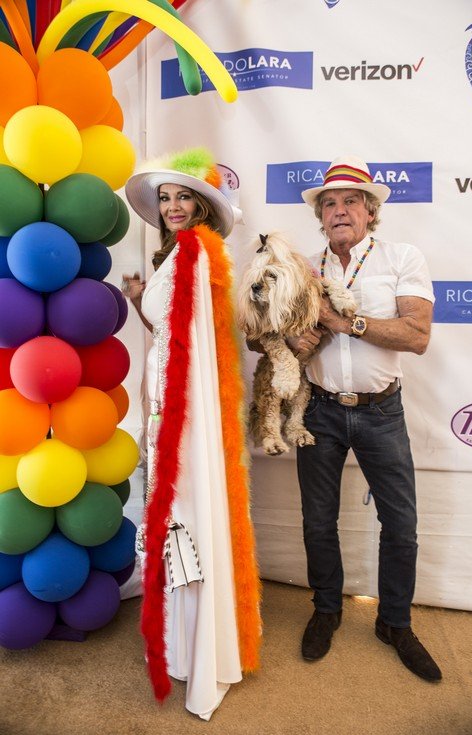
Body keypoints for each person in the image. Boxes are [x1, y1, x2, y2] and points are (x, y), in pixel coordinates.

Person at [289, 154, 441, 682]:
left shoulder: (402, 257)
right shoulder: (303, 268)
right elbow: (273, 339)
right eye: (329, 203)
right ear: (321, 216)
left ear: (371, 211)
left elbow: (416, 336)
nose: (339, 210)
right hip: (319, 410)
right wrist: (297, 338)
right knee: (316, 520)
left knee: (401, 525)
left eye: (351, 200)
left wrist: (341, 321)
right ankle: (327, 609)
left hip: (382, 411)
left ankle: (394, 622)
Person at [123, 147, 261, 719]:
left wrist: (176, 421)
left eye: (183, 196)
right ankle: (183, 645)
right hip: (167, 413)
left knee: (184, 518)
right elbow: (173, 335)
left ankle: (195, 650)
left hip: (184, 419)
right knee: (176, 520)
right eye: (165, 197)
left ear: (202, 204)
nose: (173, 205)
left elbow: (193, 358)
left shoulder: (196, 254)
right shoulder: (178, 256)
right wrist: (139, 301)